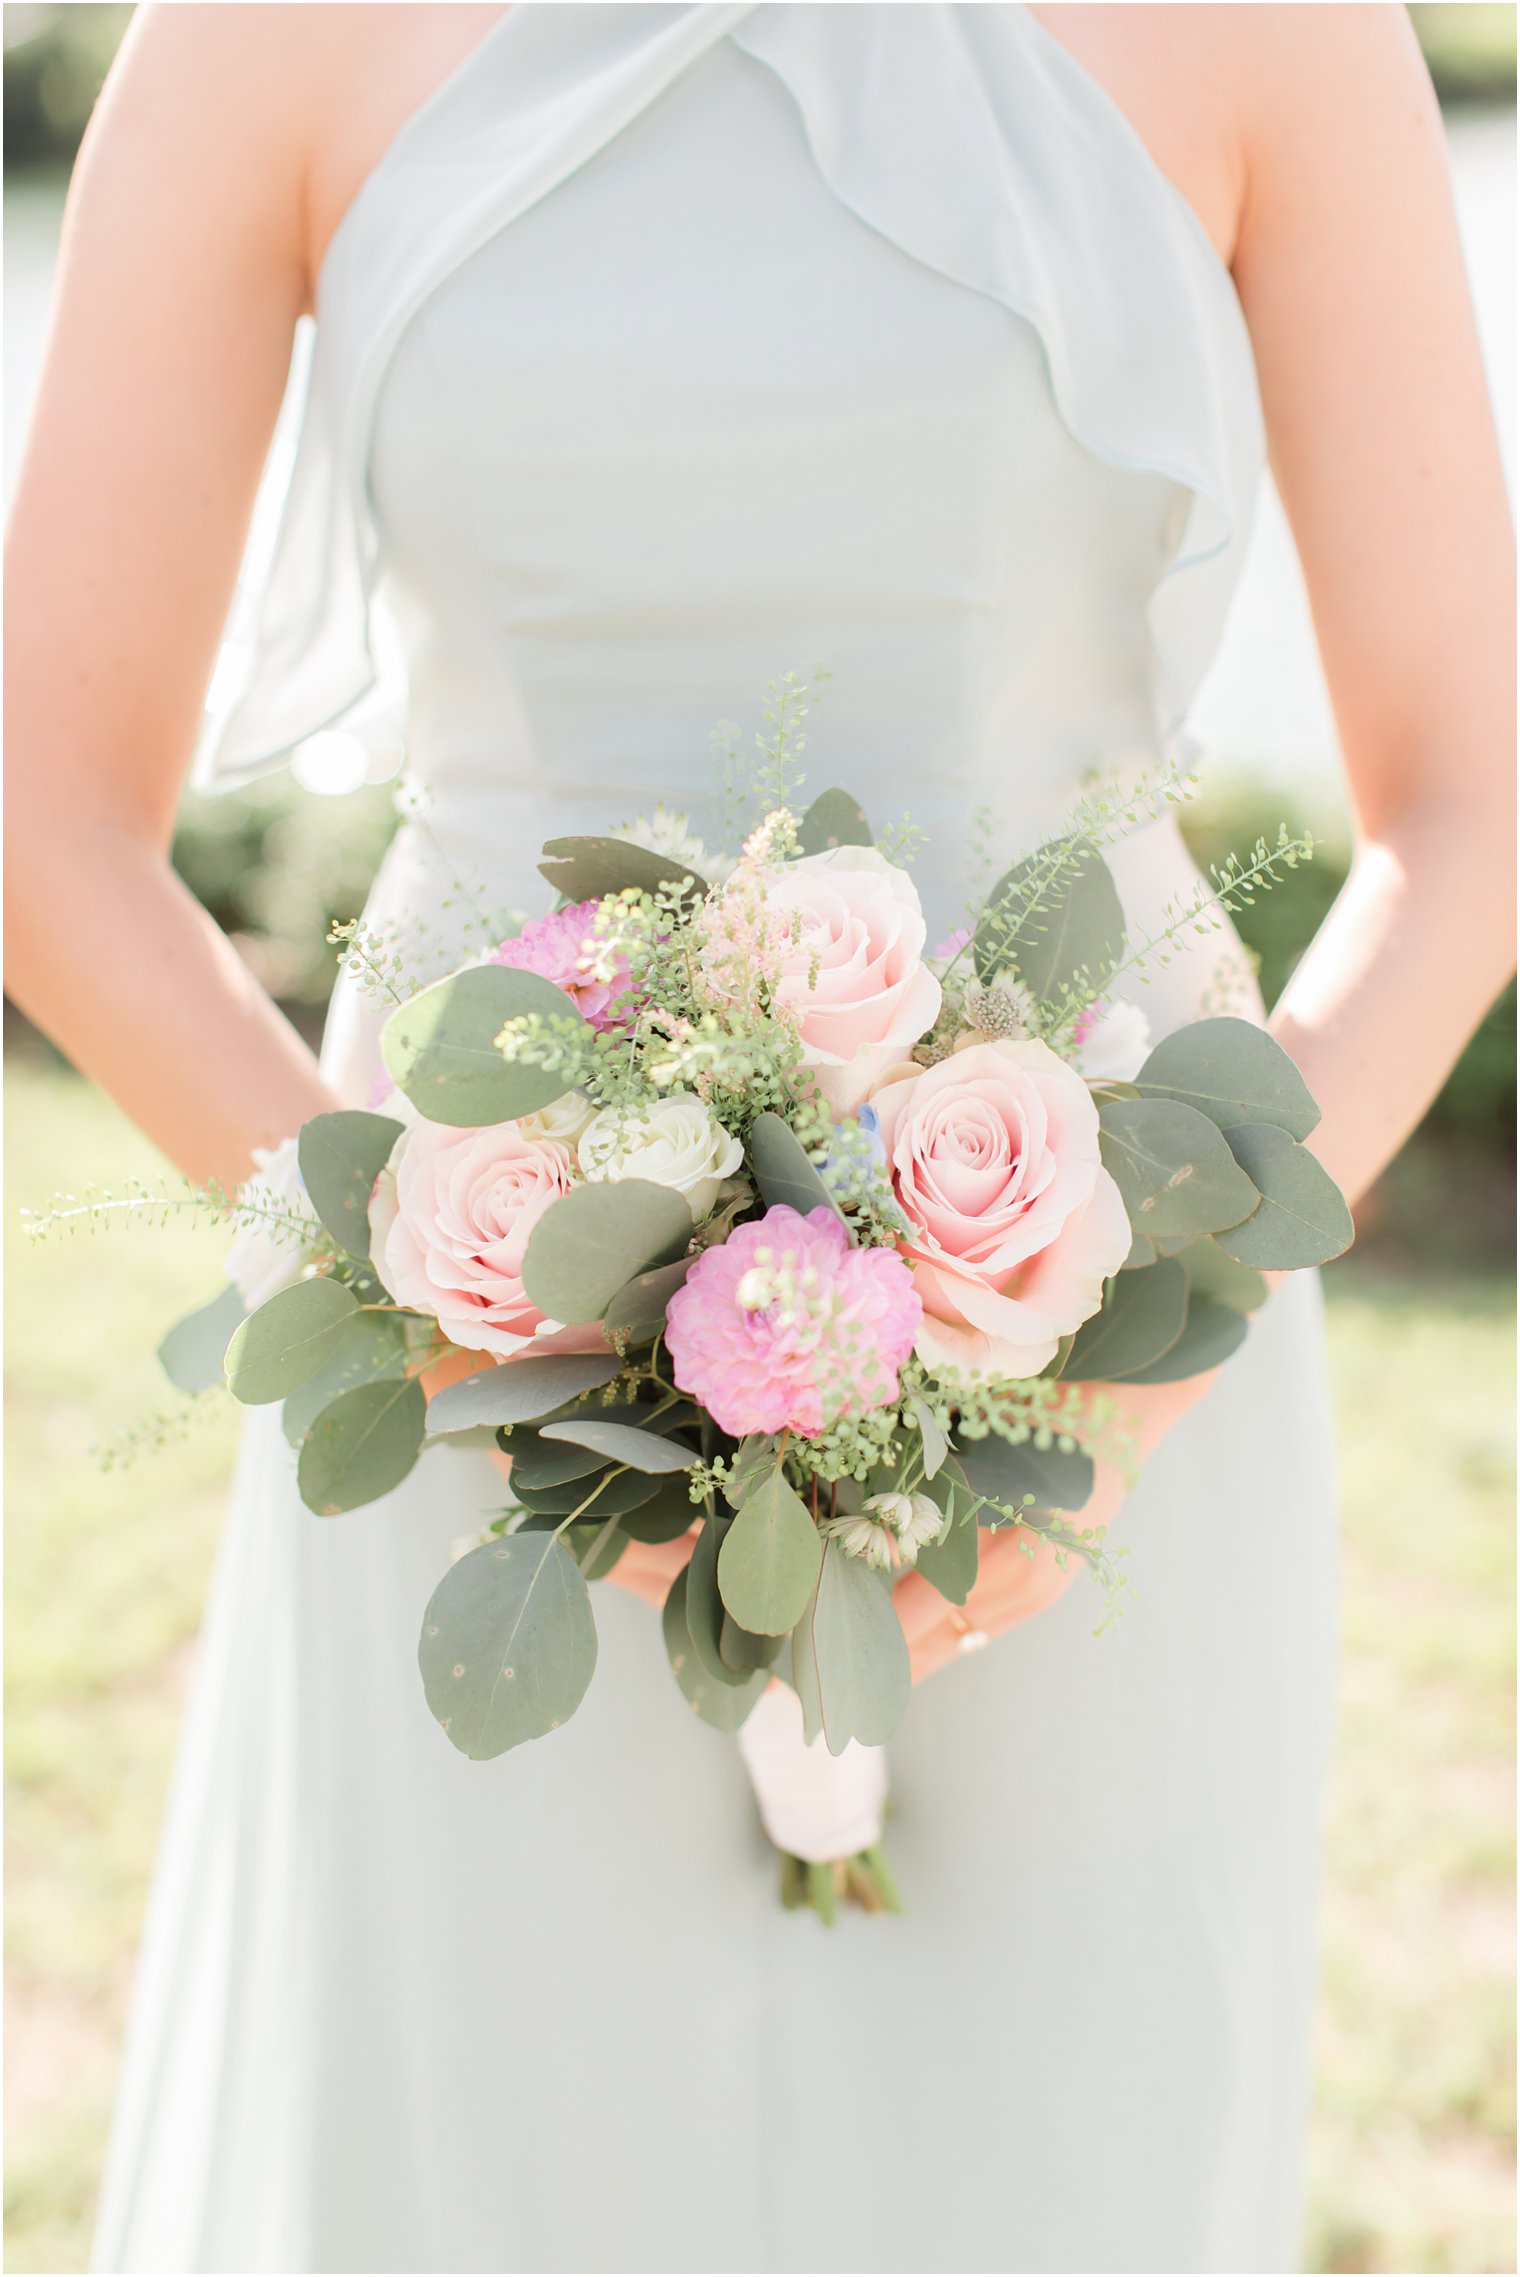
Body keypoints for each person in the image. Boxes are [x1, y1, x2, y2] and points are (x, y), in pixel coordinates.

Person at [6, 5, 1513, 2271]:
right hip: (461, 1412)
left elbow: (1474, 797)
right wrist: (445, 1305)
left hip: (1109, 1392)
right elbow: (40, 818)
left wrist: (1130, 1380)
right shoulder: (267, 33)